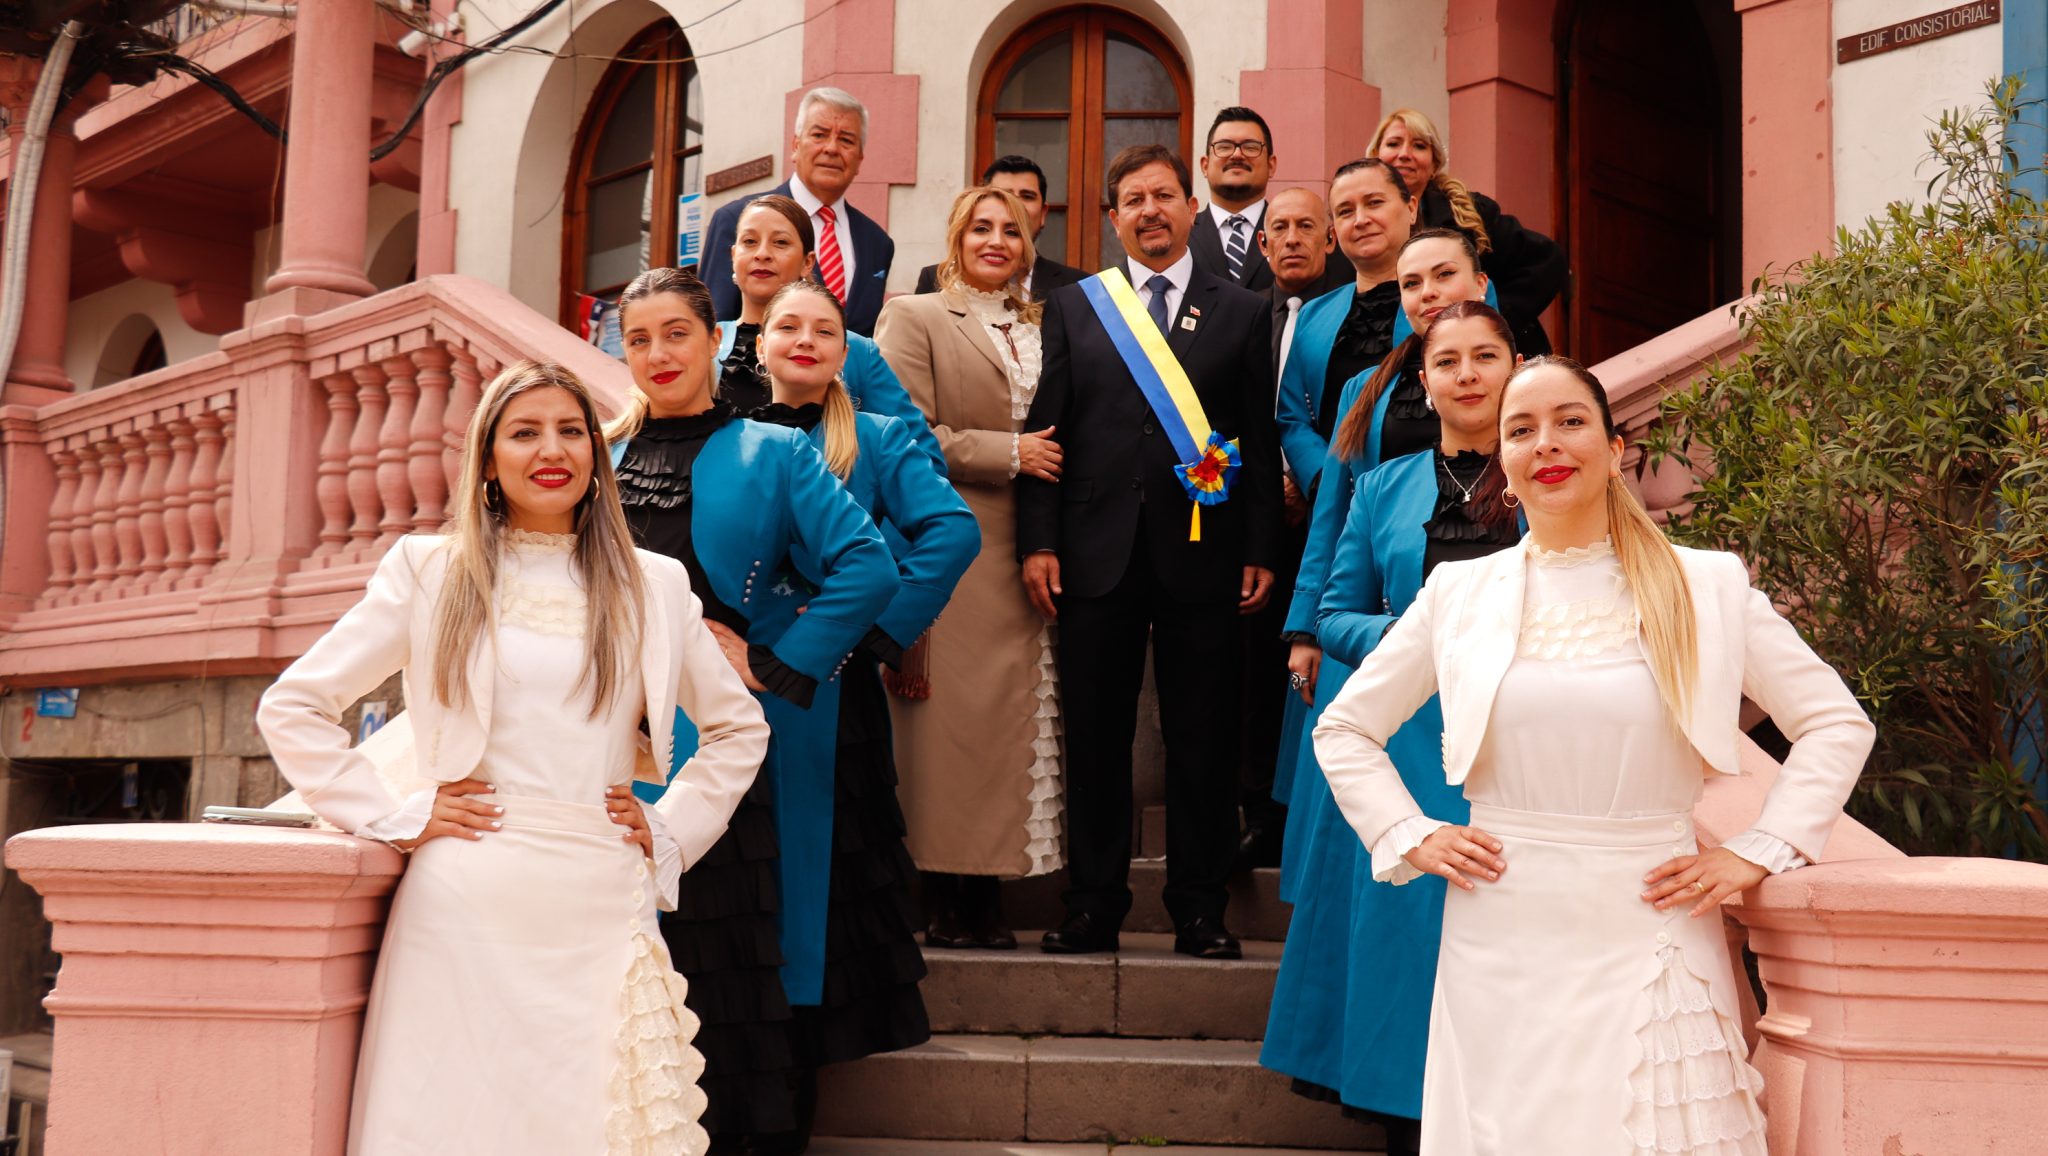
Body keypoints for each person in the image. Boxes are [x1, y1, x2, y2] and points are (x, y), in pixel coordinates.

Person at [1313, 356, 1875, 1155]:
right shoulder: (1458, 595)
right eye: (1521, 429)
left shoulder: (1705, 586)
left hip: (1652, 919)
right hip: (1502, 930)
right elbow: (1343, 729)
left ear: (1614, 450)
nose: (1546, 443)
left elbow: (1835, 722)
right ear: (1504, 464)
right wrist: (1409, 833)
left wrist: (1764, 847)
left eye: (1570, 422)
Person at [256, 361, 772, 1154]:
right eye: (524, 432)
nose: (551, 450)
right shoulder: (430, 571)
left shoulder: (656, 585)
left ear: (596, 452)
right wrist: (395, 816)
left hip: (601, 897)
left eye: (570, 431)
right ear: (489, 459)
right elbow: (294, 706)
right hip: (465, 902)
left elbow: (739, 730)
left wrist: (670, 829)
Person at [608, 266, 905, 1154]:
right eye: (638, 339)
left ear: (714, 341)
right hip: (603, 745)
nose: (658, 354)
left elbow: (868, 565)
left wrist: (777, 661)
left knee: (718, 948)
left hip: (715, 746)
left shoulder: (773, 450)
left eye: (676, 334)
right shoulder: (597, 453)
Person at [1265, 302, 1524, 1156]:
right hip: (1406, 745)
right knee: (1405, 955)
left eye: (1486, 357)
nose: (1468, 375)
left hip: (1519, 744)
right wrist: (1420, 638)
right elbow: (1334, 614)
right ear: (1423, 381)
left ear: (1516, 368)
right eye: (1448, 362)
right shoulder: (1381, 486)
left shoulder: (1551, 476)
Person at [1016, 143, 1283, 960]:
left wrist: (1260, 546)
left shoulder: (1242, 309)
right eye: (1132, 200)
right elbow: (1048, 429)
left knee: (1203, 738)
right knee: (1096, 738)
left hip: (1205, 554)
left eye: (1163, 195)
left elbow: (1257, 436)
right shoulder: (1077, 305)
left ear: (1191, 207)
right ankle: (1093, 903)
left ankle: (1199, 908)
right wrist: (1039, 540)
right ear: (1112, 218)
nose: (1150, 211)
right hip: (1093, 554)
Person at [749, 278, 978, 1129]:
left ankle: (796, 1090)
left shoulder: (878, 437)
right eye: (788, 327)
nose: (805, 340)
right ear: (761, 344)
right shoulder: (728, 435)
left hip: (832, 697)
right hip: (733, 693)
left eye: (825, 330)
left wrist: (878, 633)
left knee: (820, 886)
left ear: (846, 353)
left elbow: (951, 531)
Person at [877, 187, 1065, 949]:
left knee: (1008, 725)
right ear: (956, 240)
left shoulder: (1050, 323)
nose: (996, 240)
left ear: (1028, 245)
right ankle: (942, 895)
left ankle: (987, 892)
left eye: (1010, 230)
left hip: (1036, 542)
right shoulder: (917, 316)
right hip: (950, 539)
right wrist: (1008, 451)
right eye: (980, 228)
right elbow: (901, 433)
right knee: (946, 727)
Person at [1238, 184, 1355, 870]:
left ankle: (1307, 813)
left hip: (1333, 515)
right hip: (1259, 524)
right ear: (1262, 243)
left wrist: (1311, 482)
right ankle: (1259, 812)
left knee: (1317, 666)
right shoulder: (1244, 314)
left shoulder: (1351, 312)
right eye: (1278, 228)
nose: (1291, 239)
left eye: (1306, 227)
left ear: (1328, 239)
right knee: (1258, 670)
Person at [713, 194, 944, 474]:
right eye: (750, 241)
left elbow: (923, 458)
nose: (762, 253)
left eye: (780, 242)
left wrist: (858, 494)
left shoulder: (857, 351)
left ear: (807, 262)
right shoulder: (705, 345)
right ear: (733, 255)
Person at [1275, 160, 1418, 500]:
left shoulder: (1451, 298)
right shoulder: (1313, 315)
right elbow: (1292, 417)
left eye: (1374, 202)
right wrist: (1325, 479)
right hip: (1336, 503)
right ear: (1335, 230)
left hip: (1425, 493)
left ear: (1411, 208)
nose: (1361, 219)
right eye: (1345, 211)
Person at [1372, 108, 1567, 356]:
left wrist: (1493, 316)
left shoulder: (1470, 212)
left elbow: (1547, 261)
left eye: (1419, 146)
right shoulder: (1361, 225)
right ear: (1375, 157)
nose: (1404, 154)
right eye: (1393, 144)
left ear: (1434, 163)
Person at [702, 87, 894, 336]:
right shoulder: (736, 219)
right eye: (819, 135)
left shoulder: (877, 242)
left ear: (859, 159)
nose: (832, 148)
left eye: (846, 140)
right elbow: (712, 327)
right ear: (795, 145)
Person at [913, 155, 1085, 296]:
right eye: (1004, 196)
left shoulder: (1077, 287)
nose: (1017, 205)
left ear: (1043, 213)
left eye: (1027, 196)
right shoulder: (935, 279)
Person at [1189, 106, 1277, 291]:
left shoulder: (1293, 233)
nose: (1237, 155)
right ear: (1205, 166)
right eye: (1224, 147)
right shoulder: (1182, 236)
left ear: (1271, 165)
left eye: (1251, 147)